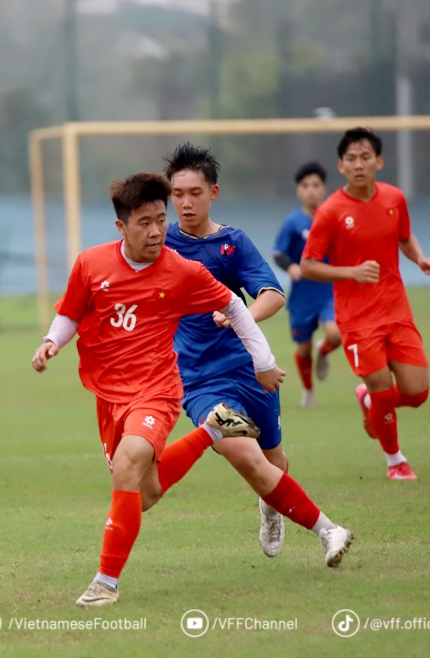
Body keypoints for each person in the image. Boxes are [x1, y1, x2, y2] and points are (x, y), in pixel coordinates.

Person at [31, 171, 286, 607]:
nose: (156, 231)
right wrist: (52, 341)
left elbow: (235, 306)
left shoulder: (184, 268)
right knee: (141, 493)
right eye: (144, 223)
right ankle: (211, 432)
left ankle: (105, 583)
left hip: (159, 387)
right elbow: (71, 312)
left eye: (159, 219)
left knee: (131, 461)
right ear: (121, 227)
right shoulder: (91, 264)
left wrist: (264, 363)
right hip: (110, 394)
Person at [163, 142, 354, 564]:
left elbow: (272, 293)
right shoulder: (159, 243)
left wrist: (238, 316)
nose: (185, 202)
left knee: (273, 459)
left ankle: (271, 508)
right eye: (177, 194)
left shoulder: (231, 244)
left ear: (213, 193)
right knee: (243, 455)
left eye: (195, 192)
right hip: (198, 381)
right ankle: (329, 530)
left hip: (251, 369)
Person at [300, 127, 430, 481]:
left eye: (365, 158)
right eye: (351, 159)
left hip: (396, 308)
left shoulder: (394, 198)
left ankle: (368, 401)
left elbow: (405, 238)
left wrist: (421, 259)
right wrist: (352, 272)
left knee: (417, 392)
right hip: (357, 318)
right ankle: (395, 462)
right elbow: (308, 265)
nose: (359, 164)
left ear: (379, 161)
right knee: (381, 385)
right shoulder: (330, 211)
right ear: (341, 165)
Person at [272, 161, 342, 407]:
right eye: (305, 186)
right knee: (303, 349)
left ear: (324, 189)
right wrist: (290, 266)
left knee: (336, 334)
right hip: (302, 295)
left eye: (316, 185)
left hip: (329, 291)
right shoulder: (293, 222)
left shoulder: (333, 218)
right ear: (298, 191)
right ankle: (309, 390)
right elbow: (279, 253)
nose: (311, 190)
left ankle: (324, 351)